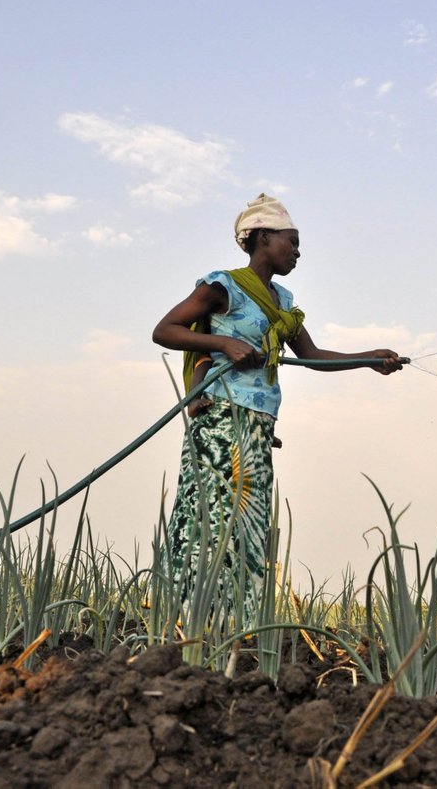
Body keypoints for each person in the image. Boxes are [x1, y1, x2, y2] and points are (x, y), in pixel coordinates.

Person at [152, 193, 403, 616]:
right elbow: (165, 330)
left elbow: (311, 356)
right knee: (211, 520)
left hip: (257, 425)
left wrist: (368, 359)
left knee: (249, 526)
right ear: (263, 238)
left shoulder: (283, 301)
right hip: (219, 420)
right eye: (292, 241)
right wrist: (223, 343)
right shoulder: (222, 287)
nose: (298, 252)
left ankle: (237, 623)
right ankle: (190, 617)